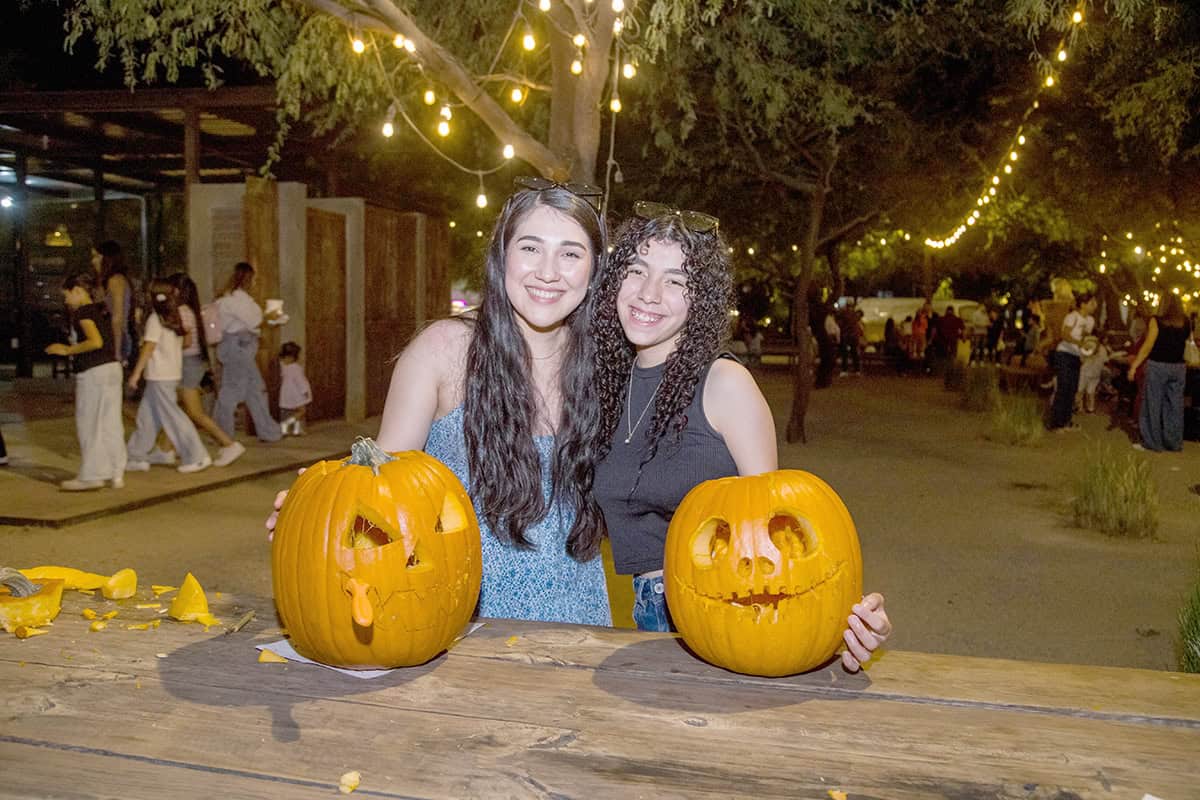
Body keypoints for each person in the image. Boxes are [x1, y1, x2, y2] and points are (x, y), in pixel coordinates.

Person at [268, 178, 611, 626]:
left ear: (594, 268)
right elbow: (381, 484)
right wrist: (315, 516)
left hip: (584, 625)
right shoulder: (444, 350)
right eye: (530, 248)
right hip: (461, 624)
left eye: (570, 254)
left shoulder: (606, 364)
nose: (548, 271)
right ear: (502, 255)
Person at [591, 201, 890, 672]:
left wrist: (837, 622)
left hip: (726, 614)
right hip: (648, 615)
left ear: (701, 298)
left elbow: (774, 527)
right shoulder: (609, 382)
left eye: (676, 281)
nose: (649, 293)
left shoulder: (724, 384)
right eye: (637, 271)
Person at [44, 272, 125, 490]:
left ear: (78, 291)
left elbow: (95, 341)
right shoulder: (101, 310)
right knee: (110, 424)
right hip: (111, 368)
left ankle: (92, 475)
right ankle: (116, 471)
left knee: (89, 424)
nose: (66, 301)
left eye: (67, 295)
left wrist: (67, 350)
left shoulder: (83, 313)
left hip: (93, 372)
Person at [125, 279, 211, 473]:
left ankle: (197, 456)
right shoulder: (174, 317)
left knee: (173, 417)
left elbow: (149, 347)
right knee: (147, 417)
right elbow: (186, 342)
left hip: (159, 376)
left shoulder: (155, 319)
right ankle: (137, 455)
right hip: (169, 373)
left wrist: (136, 373)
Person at [171, 273, 245, 467]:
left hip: (188, 363)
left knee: (195, 412)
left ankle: (229, 444)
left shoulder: (181, 311)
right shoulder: (191, 310)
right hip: (193, 362)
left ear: (176, 291)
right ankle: (167, 448)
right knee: (177, 409)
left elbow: (186, 342)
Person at [212, 262, 282, 443]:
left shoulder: (227, 299)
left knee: (256, 390)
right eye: (254, 279)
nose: (256, 282)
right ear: (248, 279)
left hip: (238, 347)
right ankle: (221, 433)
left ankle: (268, 431)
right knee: (231, 391)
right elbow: (254, 322)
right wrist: (272, 317)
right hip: (239, 348)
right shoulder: (236, 301)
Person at [1128, 294, 1192, 451]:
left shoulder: (1156, 321)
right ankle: (1173, 442)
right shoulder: (1186, 322)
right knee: (1175, 406)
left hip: (1158, 366)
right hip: (1178, 368)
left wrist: (1135, 365)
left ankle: (1152, 442)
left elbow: (1148, 346)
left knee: (1152, 404)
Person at [1048, 292, 1098, 431]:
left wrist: (1087, 351)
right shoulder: (1072, 316)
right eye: (1092, 303)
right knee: (1063, 388)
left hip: (1076, 356)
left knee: (1072, 389)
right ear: (1083, 304)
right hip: (1064, 354)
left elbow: (1086, 338)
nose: (1095, 305)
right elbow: (1065, 335)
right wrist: (1079, 343)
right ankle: (1056, 423)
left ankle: (1066, 421)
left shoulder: (1090, 321)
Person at [91, 240, 135, 368]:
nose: (93, 261)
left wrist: (117, 350)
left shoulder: (116, 280)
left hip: (117, 337)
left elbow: (117, 316)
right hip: (111, 337)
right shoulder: (107, 282)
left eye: (96, 256)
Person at [278, 341, 312, 436]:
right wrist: (305, 391)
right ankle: (287, 423)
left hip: (286, 393)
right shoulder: (296, 368)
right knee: (301, 411)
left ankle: (295, 430)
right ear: (293, 357)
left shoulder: (284, 367)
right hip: (296, 394)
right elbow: (300, 381)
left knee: (290, 411)